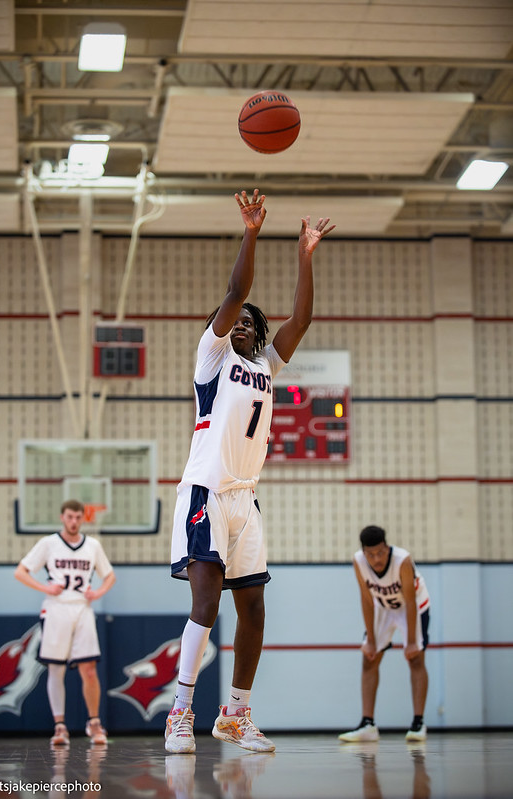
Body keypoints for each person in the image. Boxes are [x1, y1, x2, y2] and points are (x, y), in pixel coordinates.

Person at [165, 188, 335, 754]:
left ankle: (235, 714)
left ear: (257, 335)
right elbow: (238, 292)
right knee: (206, 604)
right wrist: (253, 232)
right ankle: (181, 711)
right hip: (205, 491)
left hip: (244, 498)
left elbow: (303, 317)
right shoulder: (212, 359)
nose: (237, 323)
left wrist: (305, 254)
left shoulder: (264, 363)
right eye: (231, 320)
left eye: (247, 324)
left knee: (255, 609)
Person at [14, 499, 116, 746]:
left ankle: (93, 723)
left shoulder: (92, 545)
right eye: (69, 517)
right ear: (62, 517)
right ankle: (60, 727)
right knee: (56, 669)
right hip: (56, 609)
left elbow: (110, 575)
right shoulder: (48, 543)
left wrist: (98, 593)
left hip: (82, 608)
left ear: (83, 519)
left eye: (77, 517)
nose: (73, 521)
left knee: (89, 670)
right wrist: (45, 587)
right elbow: (20, 571)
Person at [339, 525, 430, 743]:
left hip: (413, 605)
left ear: (387, 548)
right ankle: (368, 724)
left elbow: (409, 601)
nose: (377, 559)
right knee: (368, 658)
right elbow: (367, 599)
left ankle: (418, 723)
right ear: (364, 552)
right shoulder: (358, 561)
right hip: (382, 607)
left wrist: (409, 644)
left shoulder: (402, 560)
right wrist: (370, 640)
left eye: (380, 553)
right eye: (371, 554)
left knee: (415, 658)